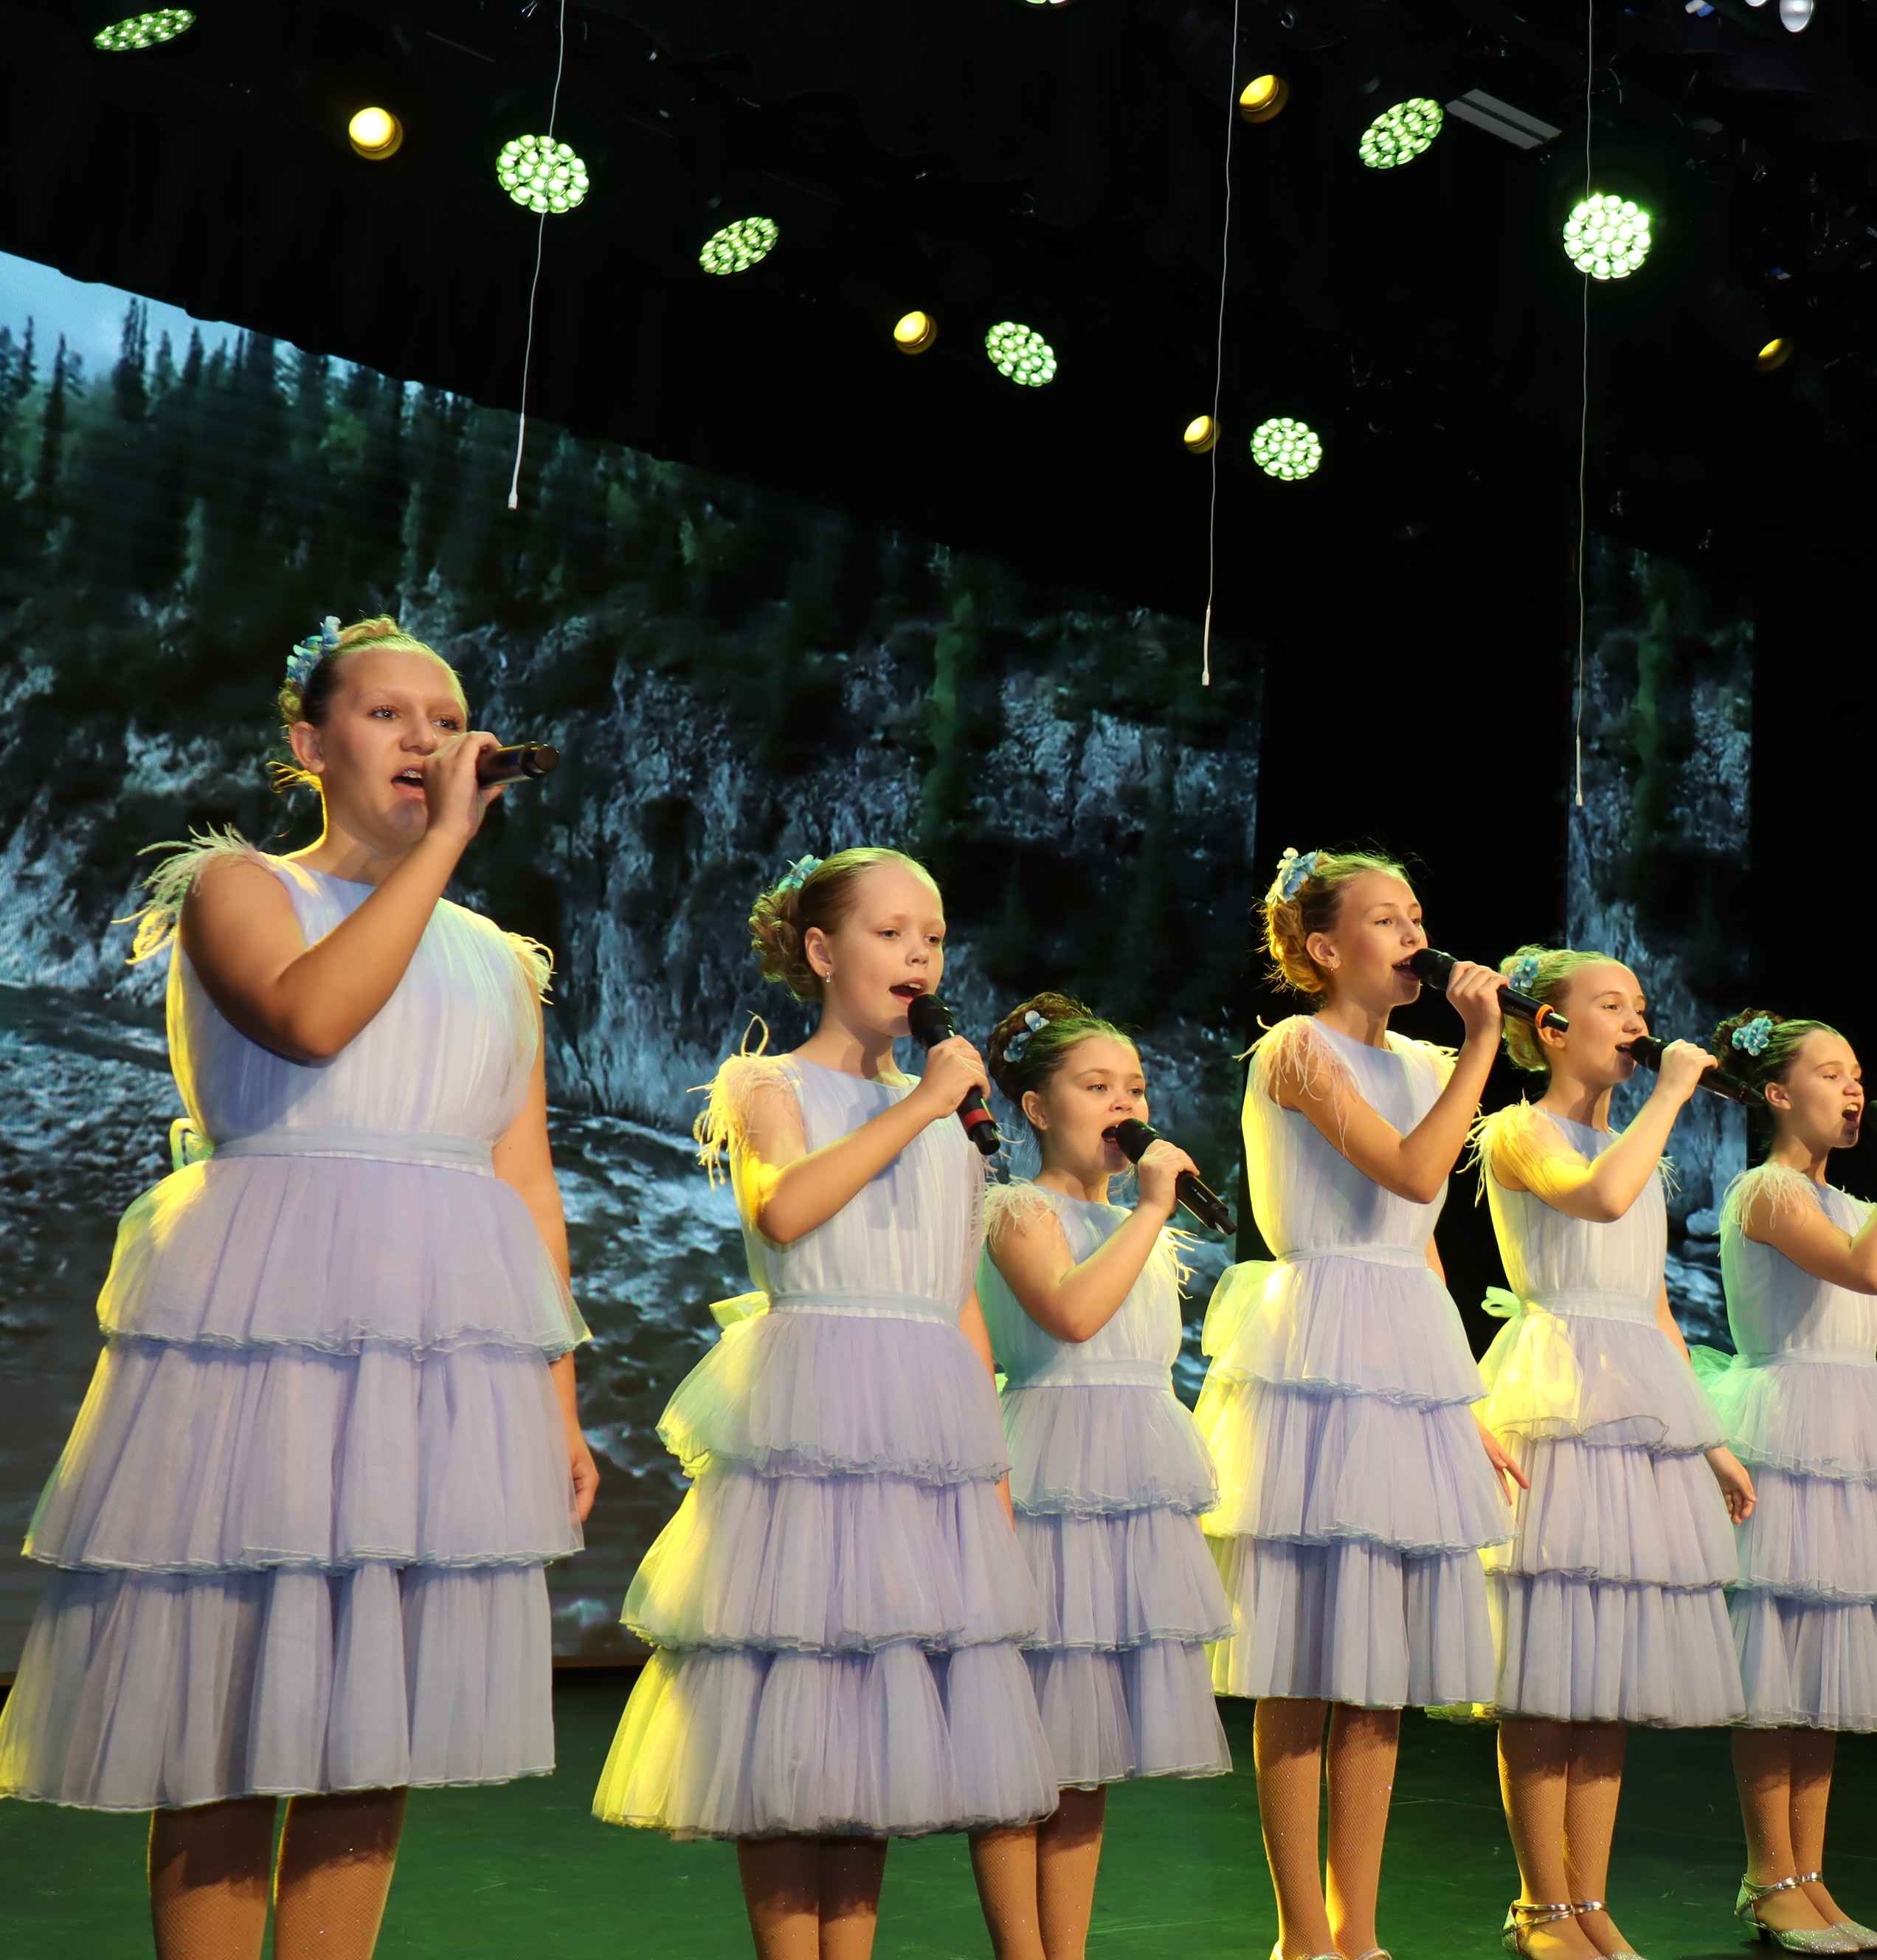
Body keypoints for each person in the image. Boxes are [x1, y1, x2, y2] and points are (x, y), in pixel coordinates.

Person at [0, 616, 595, 1960]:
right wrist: (443, 845)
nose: (427, 741)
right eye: (389, 716)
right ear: (310, 745)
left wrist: (554, 1400)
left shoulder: (497, 962)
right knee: (225, 1713)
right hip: (263, 1345)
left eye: (448, 721)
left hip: (430, 1358)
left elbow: (526, 1186)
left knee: (371, 1726)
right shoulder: (237, 887)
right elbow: (311, 1018)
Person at [592, 848, 1057, 1960]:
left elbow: (957, 1297)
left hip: (920, 1432)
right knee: (793, 1708)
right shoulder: (770, 1085)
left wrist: (988, 1466)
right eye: (891, 933)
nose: (918, 956)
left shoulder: (946, 1114)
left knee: (875, 1725)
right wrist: (928, 1103)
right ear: (820, 949)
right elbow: (789, 1208)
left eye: (932, 938)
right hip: (813, 1417)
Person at [1194, 847, 1523, 1960]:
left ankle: (1359, 1932)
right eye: (1388, 919)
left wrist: (1461, 1406)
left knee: (1377, 1677)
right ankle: (1300, 1936)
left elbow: (1422, 1241)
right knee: (1302, 1662)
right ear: (1326, 948)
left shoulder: (1428, 1061)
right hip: (1318, 1344)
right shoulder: (1298, 1047)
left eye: (1417, 914)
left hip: (1402, 1348)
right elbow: (1413, 1173)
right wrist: (1482, 1046)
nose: (1414, 935)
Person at [1468, 948, 1752, 1960]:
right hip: (1559, 1396)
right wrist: (1670, 1092)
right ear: (1551, 1028)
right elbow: (1591, 1197)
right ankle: (1539, 1904)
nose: (1636, 1023)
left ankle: (1589, 1900)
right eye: (1611, 1006)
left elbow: (1657, 1308)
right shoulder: (1518, 1130)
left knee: (1610, 1676)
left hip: (1637, 1408)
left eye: (1640, 1006)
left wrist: (1708, 1440)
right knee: (1548, 1669)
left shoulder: (1638, 1148)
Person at [978, 991, 1235, 1956]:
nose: (1125, 1104)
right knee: (1023, 1752)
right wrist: (1156, 1206)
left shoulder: (1140, 1227)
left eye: (1134, 1086)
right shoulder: (1016, 1209)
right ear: (1037, 1107)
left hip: (1128, 1486)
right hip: (1049, 1482)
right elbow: (1072, 1315)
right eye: (1096, 1087)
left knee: (1087, 1759)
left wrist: (1150, 1214)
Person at [1706, 1010, 1877, 1953]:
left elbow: (1868, 1254)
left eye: (1857, 1073)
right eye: (1831, 1073)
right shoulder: (1766, 1191)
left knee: (1822, 1672)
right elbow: (1871, 1272)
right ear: (1778, 1093)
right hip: (1786, 1423)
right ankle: (1767, 1874)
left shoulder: (1845, 1200)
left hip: (1849, 1424)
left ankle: (1808, 1876)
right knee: (1776, 1664)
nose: (1855, 1089)